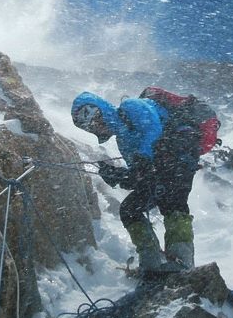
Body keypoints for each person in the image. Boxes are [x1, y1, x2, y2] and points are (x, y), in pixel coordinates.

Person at [71, 91, 200, 276]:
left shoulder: (132, 106)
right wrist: (119, 176)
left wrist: (142, 159)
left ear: (103, 110)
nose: (98, 127)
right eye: (92, 127)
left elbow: (153, 128)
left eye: (97, 119)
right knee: (130, 209)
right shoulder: (123, 140)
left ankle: (181, 263)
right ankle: (151, 263)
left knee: (173, 204)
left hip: (180, 156)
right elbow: (141, 176)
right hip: (166, 166)